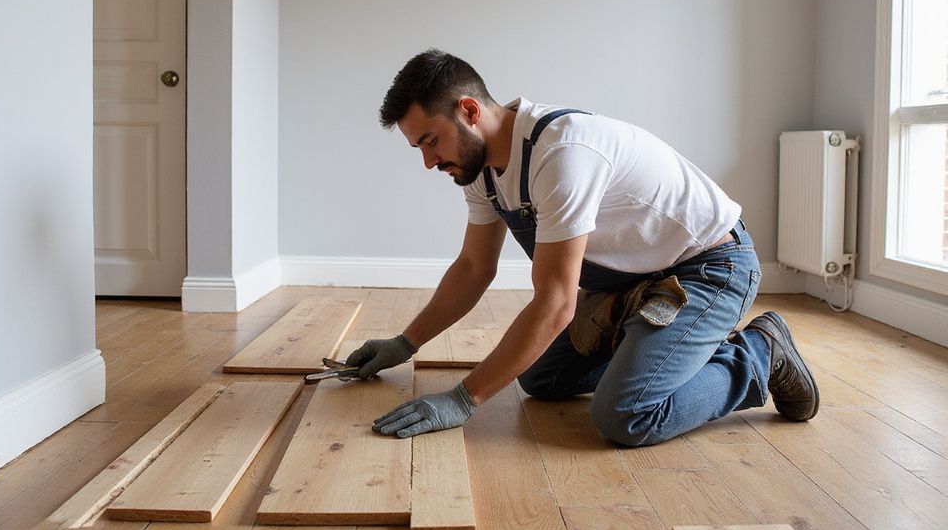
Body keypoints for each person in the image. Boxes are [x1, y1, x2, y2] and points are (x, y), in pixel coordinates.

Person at [344, 49, 819, 444]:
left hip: (710, 269)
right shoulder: (481, 169)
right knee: (540, 380)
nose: (429, 162)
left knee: (626, 416)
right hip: (636, 282)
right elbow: (473, 267)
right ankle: (655, 345)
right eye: (419, 149)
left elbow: (557, 303)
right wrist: (405, 343)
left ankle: (759, 352)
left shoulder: (562, 154)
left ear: (469, 111)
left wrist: (464, 399)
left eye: (431, 141)